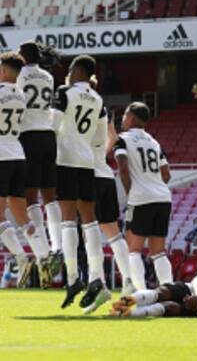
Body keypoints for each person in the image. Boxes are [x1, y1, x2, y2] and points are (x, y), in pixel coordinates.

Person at [0, 52, 42, 290]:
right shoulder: (23, 96)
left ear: (3, 71)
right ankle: (41, 255)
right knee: (22, 216)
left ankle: (21, 257)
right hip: (18, 155)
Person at [54, 55, 110, 310]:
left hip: (65, 158)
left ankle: (73, 277)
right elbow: (101, 138)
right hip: (88, 161)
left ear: (77, 71)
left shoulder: (65, 92)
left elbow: (52, 125)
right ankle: (97, 276)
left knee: (67, 218)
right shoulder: (98, 100)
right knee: (89, 219)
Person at [16, 42, 63, 285]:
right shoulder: (48, 76)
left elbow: (17, 104)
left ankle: (43, 253)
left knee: (29, 198)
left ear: (23, 56)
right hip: (48, 135)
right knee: (50, 195)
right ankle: (59, 247)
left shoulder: (19, 75)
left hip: (28, 135)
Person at [115, 102, 173, 294]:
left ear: (131, 118)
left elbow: (122, 167)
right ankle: (170, 292)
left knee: (134, 249)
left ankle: (139, 294)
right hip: (163, 198)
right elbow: (166, 174)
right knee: (158, 252)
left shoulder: (122, 139)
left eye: (124, 114)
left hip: (141, 198)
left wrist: (132, 192)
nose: (122, 118)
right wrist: (152, 181)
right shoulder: (154, 142)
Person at [90, 94, 135, 302]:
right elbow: (113, 137)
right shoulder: (100, 106)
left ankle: (99, 284)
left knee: (88, 231)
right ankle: (128, 281)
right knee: (113, 233)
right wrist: (101, 154)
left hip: (86, 174)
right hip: (105, 174)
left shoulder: (70, 101)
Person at [110, 264, 197, 318]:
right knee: (163, 292)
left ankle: (127, 313)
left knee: (169, 308)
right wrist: (196, 295)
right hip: (189, 289)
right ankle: (127, 301)